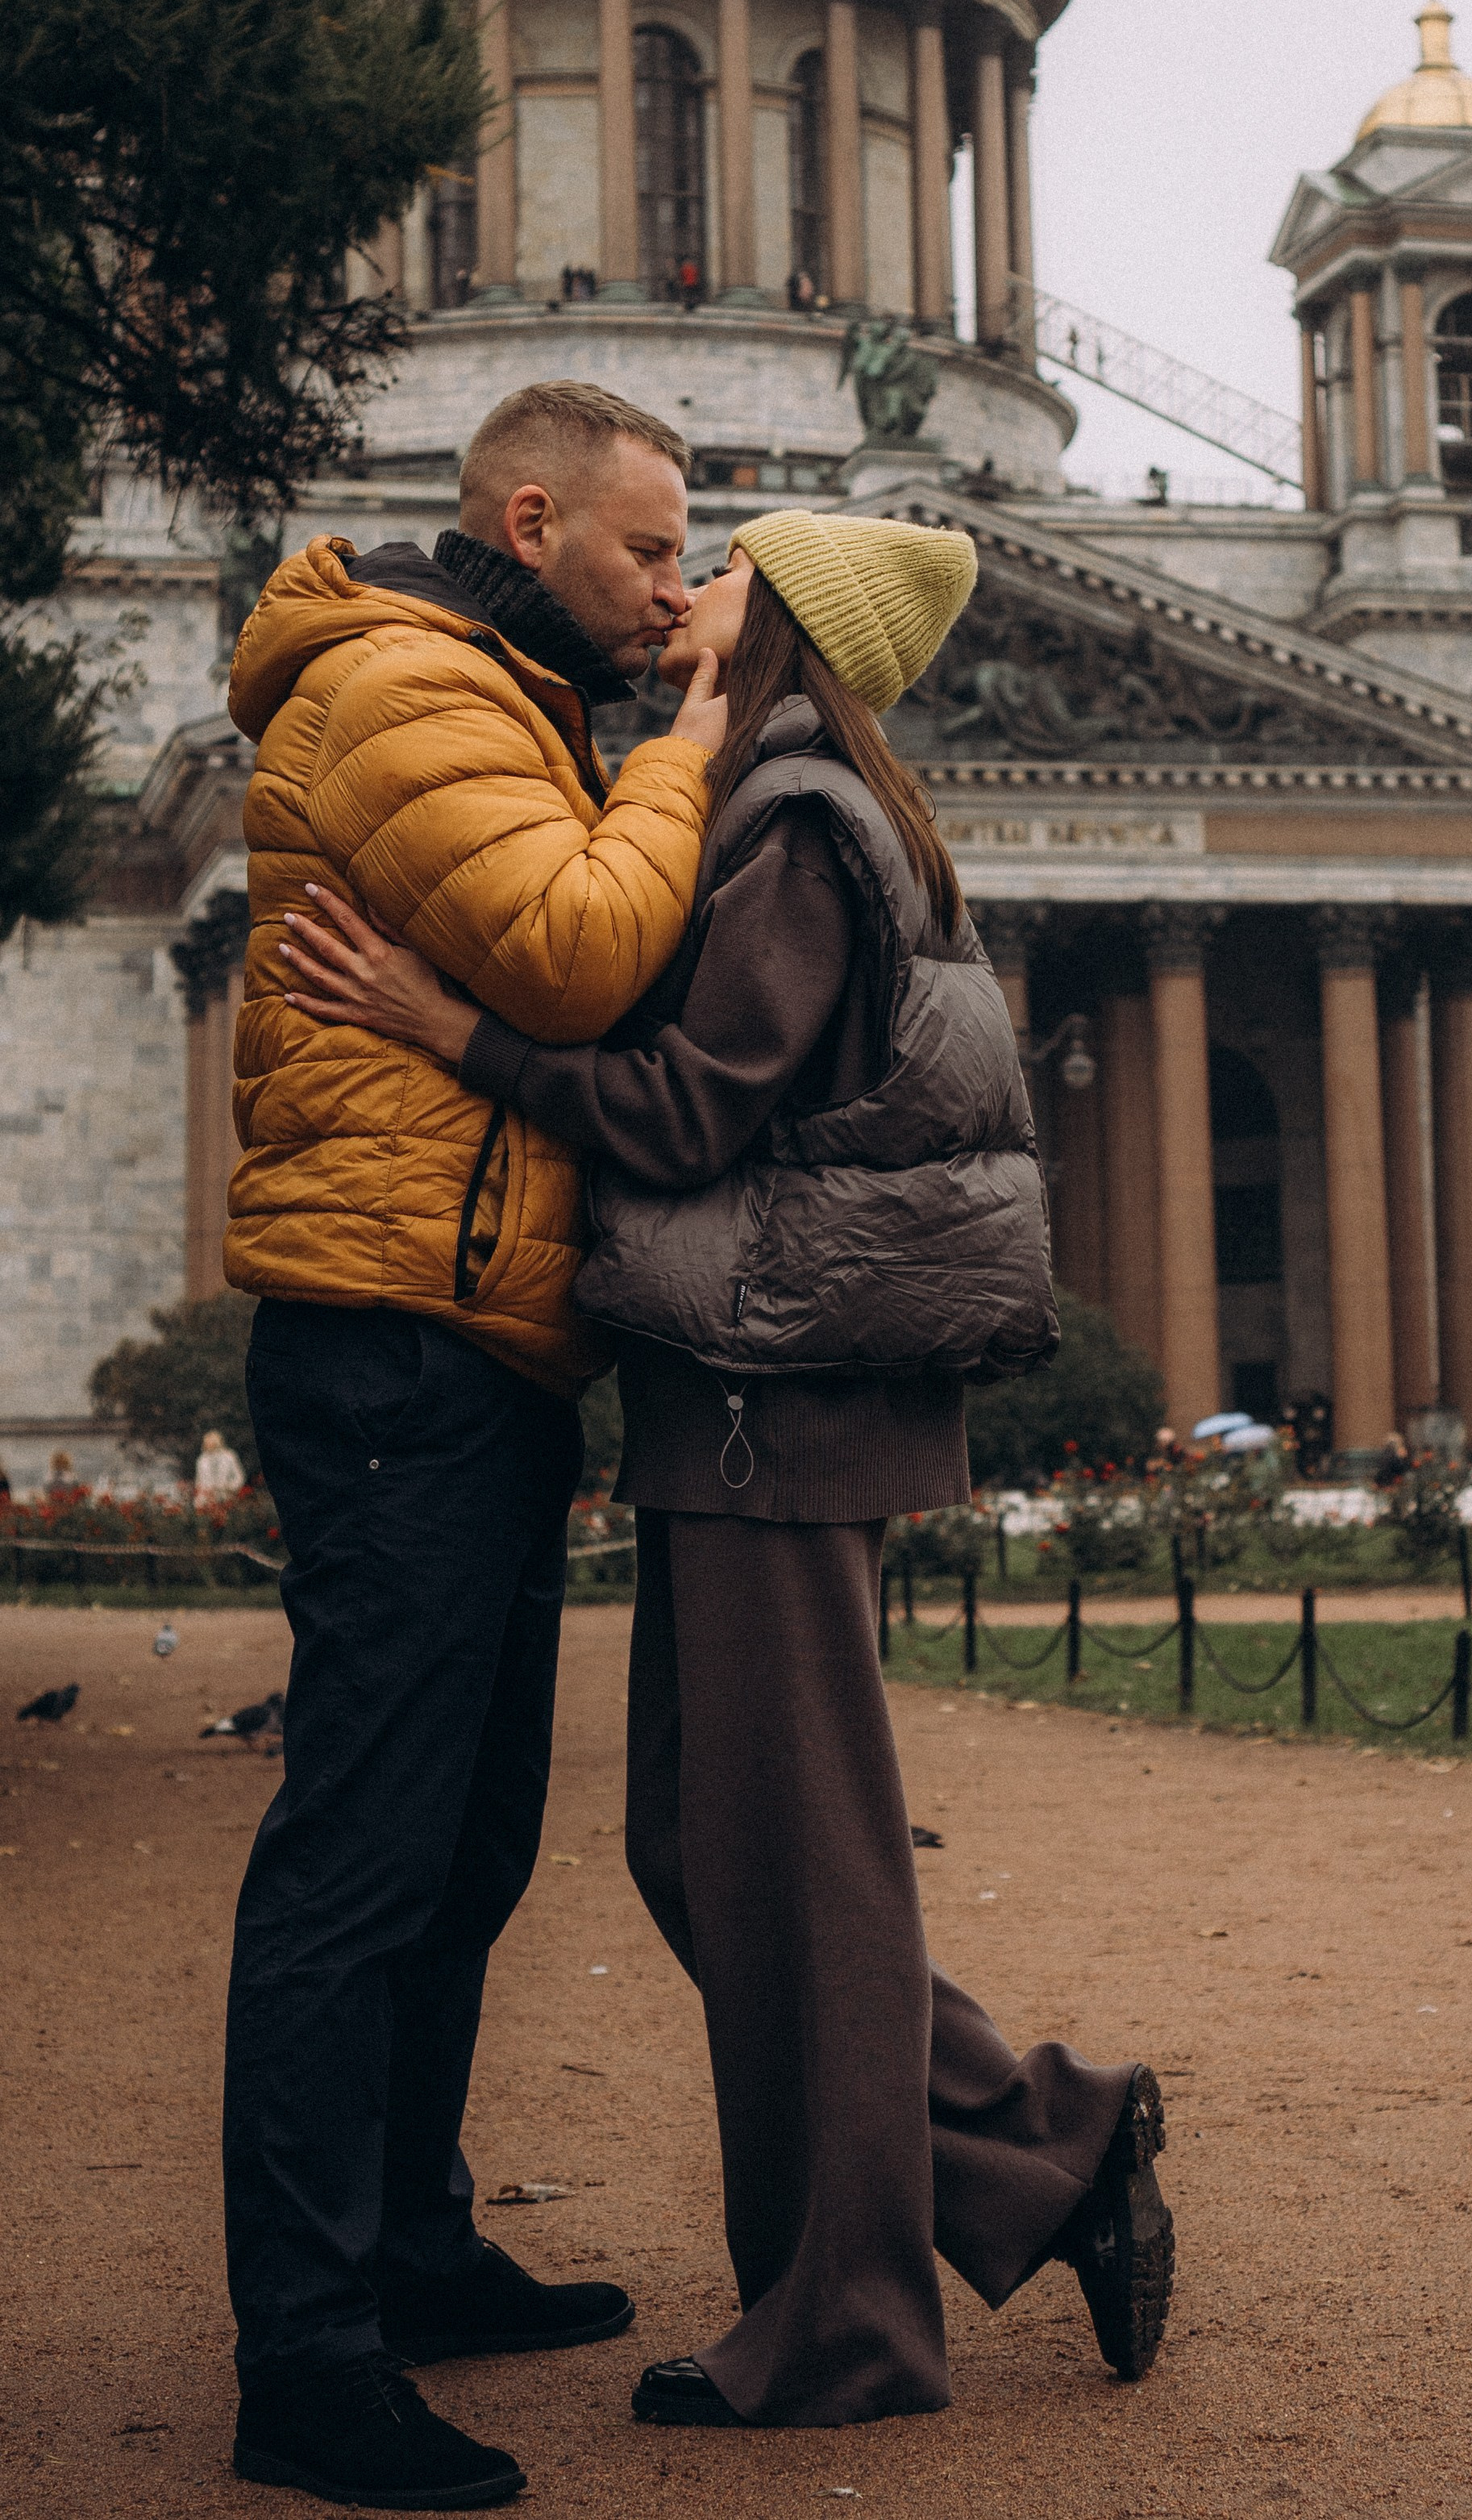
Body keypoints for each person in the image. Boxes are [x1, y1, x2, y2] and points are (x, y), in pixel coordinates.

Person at [277, 508, 1177, 2435]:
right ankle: (1045, 2149)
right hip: (748, 1394)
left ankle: (848, 2321)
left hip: (776, 1397)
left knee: (799, 1874)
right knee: (713, 1850)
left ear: (790, 626)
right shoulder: (779, 794)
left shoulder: (787, 819)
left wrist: (453, 1029)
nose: (684, 586)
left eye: (725, 566)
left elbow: (691, 1110)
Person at [218, 380, 734, 2511]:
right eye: (650, 551)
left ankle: (409, 2246)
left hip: (477, 1338)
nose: (680, 592)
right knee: (360, 1858)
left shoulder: (506, 699)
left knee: (463, 1844)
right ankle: (306, 2356)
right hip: (394, 1347)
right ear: (533, 521)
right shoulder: (409, 684)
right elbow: (584, 954)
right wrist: (698, 742)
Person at [195, 1428, 247, 1502]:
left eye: (210, 1442)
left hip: (227, 1497)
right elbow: (199, 1481)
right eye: (206, 1442)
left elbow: (240, 1478)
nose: (207, 1445)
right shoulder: (201, 1460)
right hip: (207, 1499)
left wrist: (229, 1487)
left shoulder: (229, 1456)